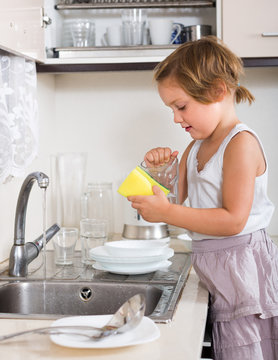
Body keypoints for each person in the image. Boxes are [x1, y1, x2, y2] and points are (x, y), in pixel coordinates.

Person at [128, 36, 278, 359]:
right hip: (221, 277)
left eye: (181, 106)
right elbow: (174, 205)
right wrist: (154, 174)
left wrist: (166, 212)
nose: (176, 118)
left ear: (217, 91)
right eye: (171, 109)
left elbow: (232, 219)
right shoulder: (193, 150)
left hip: (243, 276)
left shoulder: (240, 144)